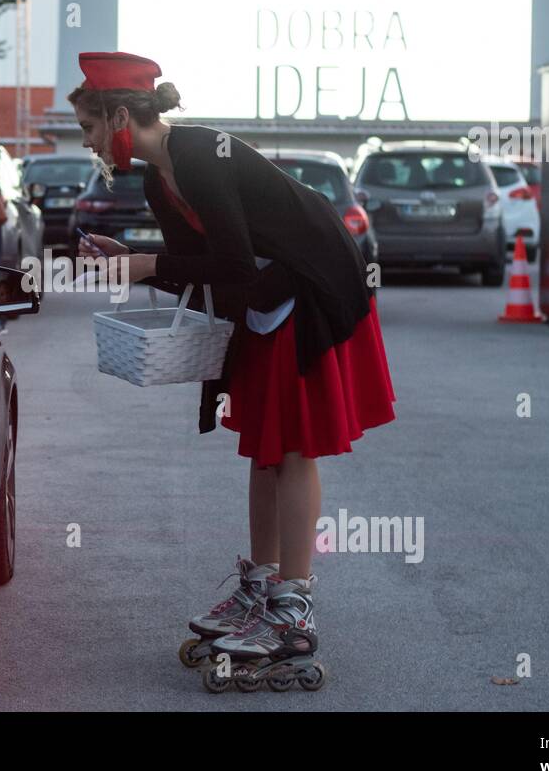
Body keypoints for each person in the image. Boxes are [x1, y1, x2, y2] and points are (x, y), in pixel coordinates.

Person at [71, 51, 396, 669]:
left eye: (89, 128)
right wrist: (133, 256)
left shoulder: (196, 154)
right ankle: (262, 587)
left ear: (119, 115)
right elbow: (207, 274)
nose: (87, 142)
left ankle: (292, 613)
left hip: (309, 288)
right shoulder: (156, 177)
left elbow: (233, 267)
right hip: (266, 296)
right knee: (263, 446)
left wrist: (146, 264)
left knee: (294, 447)